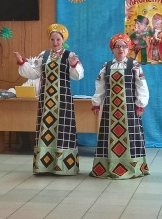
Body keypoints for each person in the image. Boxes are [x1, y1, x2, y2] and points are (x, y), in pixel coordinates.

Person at [14, 23, 84, 175]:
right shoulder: (44, 55)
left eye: (58, 39)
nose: (55, 42)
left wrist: (74, 65)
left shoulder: (70, 55)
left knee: (63, 130)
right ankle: (44, 166)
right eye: (52, 39)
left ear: (63, 40)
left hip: (63, 100)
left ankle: (64, 166)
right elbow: (34, 73)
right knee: (46, 129)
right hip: (46, 100)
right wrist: (22, 63)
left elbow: (78, 76)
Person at [89, 33, 150, 179]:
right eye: (117, 46)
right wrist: (96, 103)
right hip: (110, 109)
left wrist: (140, 104)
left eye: (124, 46)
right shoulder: (106, 66)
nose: (120, 49)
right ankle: (107, 166)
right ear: (112, 49)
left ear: (128, 49)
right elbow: (100, 86)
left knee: (130, 137)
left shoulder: (134, 65)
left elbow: (141, 85)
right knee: (109, 137)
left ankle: (132, 167)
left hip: (129, 109)